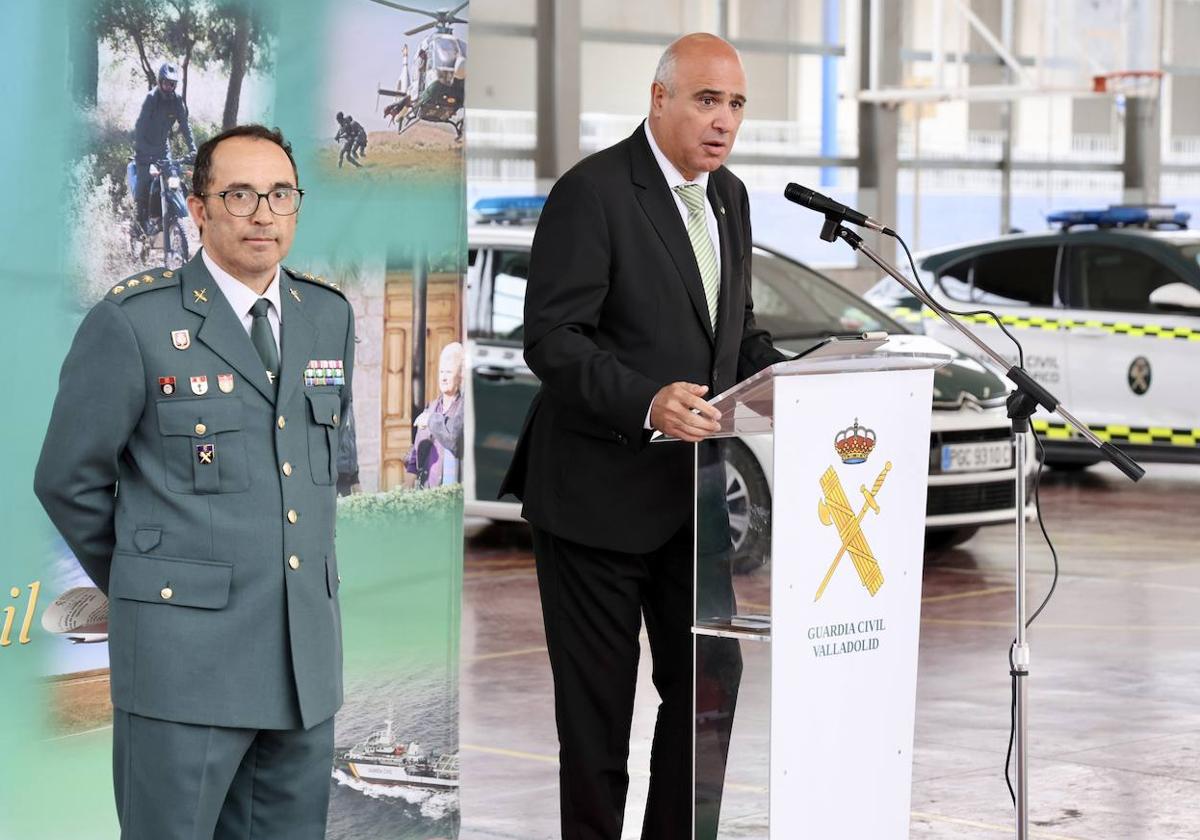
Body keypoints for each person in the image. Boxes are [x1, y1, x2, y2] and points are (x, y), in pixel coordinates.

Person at [499, 33, 784, 840]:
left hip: (690, 502)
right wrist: (646, 401)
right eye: (706, 100)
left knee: (709, 684)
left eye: (735, 105)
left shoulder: (730, 197)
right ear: (659, 99)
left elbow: (735, 332)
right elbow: (553, 338)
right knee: (598, 714)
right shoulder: (592, 193)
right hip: (594, 497)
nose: (723, 121)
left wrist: (798, 378)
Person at [35, 124, 354, 840]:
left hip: (303, 666)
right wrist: (148, 585)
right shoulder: (134, 323)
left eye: (280, 194)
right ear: (199, 208)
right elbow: (67, 478)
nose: (263, 214)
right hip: (184, 668)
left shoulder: (326, 317)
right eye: (239, 194)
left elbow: (319, 473)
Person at [133, 62, 197, 233]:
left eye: (173, 83)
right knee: (145, 180)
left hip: (162, 148)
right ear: (160, 81)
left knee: (173, 180)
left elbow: (185, 125)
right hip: (145, 147)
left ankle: (169, 214)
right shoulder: (151, 98)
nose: (169, 86)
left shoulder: (176, 101)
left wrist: (193, 149)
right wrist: (141, 151)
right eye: (167, 82)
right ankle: (141, 221)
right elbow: (140, 126)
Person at [407, 341, 465, 487]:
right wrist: (409, 477)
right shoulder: (432, 407)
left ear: (459, 376)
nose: (443, 378)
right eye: (441, 372)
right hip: (429, 491)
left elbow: (454, 439)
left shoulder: (462, 407)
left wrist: (431, 420)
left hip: (452, 491)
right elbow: (417, 446)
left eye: (449, 372)